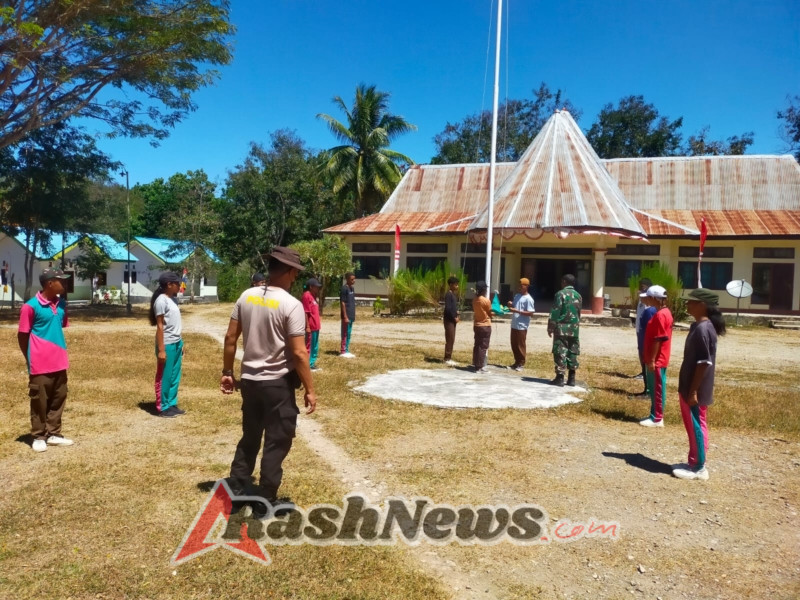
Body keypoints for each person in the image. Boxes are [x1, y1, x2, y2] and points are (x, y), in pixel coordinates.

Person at [220, 246, 317, 506]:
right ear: (287, 271)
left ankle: (238, 490)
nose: (295, 277)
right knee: (277, 440)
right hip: (277, 384)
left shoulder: (246, 297)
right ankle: (266, 495)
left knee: (250, 435)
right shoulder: (291, 305)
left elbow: (230, 338)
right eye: (295, 272)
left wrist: (228, 372)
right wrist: (310, 388)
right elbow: (298, 353)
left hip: (250, 382)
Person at [18, 268, 74, 452]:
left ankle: (54, 433)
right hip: (40, 363)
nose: (65, 284)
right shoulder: (30, 306)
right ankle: (39, 435)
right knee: (39, 400)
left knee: (59, 397)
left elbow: (59, 327)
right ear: (50, 283)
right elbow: (23, 335)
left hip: (59, 362)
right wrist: (30, 357)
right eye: (61, 280)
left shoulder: (62, 304)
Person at [672, 288, 726, 481]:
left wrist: (693, 390)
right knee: (692, 423)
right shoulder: (699, 326)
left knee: (696, 424)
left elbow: (704, 363)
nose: (687, 305)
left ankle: (699, 467)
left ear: (702, 305)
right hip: (689, 385)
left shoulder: (704, 328)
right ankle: (693, 461)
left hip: (695, 388)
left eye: (691, 302)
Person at [149, 272, 185, 418]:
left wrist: (181, 342)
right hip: (167, 343)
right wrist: (162, 349)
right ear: (169, 285)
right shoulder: (161, 301)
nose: (180, 286)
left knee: (175, 376)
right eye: (177, 284)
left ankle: (171, 403)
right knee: (165, 376)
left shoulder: (173, 300)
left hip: (176, 342)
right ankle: (163, 406)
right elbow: (160, 327)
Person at [639, 285, 673, 428]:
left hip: (658, 359)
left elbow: (658, 339)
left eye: (647, 297)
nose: (646, 300)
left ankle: (657, 417)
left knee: (657, 388)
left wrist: (652, 360)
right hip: (655, 358)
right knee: (654, 388)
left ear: (653, 298)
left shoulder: (660, 315)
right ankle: (654, 414)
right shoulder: (663, 313)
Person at [547, 274, 582, 387]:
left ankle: (560, 378)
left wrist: (551, 327)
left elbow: (555, 311)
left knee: (560, 352)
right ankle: (572, 378)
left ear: (564, 282)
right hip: (574, 328)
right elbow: (578, 313)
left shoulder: (560, 294)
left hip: (561, 328)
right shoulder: (578, 296)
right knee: (572, 352)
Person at [507, 278, 535, 371]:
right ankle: (516, 362)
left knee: (520, 345)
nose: (519, 287)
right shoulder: (517, 296)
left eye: (521, 285)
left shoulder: (529, 299)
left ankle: (521, 363)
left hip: (522, 325)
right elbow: (514, 306)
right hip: (514, 324)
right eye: (519, 285)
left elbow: (531, 312)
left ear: (526, 286)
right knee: (514, 344)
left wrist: (517, 311)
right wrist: (510, 305)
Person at [634, 278, 656, 397]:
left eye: (643, 287)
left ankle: (648, 390)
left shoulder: (650, 307)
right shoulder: (642, 301)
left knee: (646, 359)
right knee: (642, 358)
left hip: (646, 336)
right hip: (640, 333)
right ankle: (646, 387)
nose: (640, 289)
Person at [302, 278, 322, 371]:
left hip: (316, 326)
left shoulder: (314, 296)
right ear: (311, 287)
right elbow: (306, 312)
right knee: (309, 345)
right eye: (316, 287)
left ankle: (312, 362)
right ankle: (307, 363)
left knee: (315, 345)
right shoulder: (307, 296)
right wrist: (307, 326)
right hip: (311, 326)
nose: (318, 289)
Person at [471, 281, 492, 373]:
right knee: (483, 346)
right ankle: (479, 367)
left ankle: (475, 363)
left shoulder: (474, 299)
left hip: (477, 325)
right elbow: (490, 313)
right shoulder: (486, 300)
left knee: (477, 345)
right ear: (484, 290)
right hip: (485, 325)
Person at [443, 276, 460, 365]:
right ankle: (447, 358)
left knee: (452, 339)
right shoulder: (448, 295)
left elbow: (453, 308)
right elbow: (448, 309)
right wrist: (454, 317)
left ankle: (449, 357)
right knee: (450, 338)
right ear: (451, 285)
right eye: (456, 285)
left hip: (453, 320)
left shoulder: (453, 295)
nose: (457, 286)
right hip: (449, 320)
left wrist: (457, 312)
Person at [339, 272, 356, 358]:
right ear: (347, 279)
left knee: (349, 333)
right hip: (346, 315)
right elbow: (343, 303)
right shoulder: (344, 289)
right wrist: (345, 316)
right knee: (345, 333)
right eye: (352, 279)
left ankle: (347, 349)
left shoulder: (352, 289)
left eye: (354, 279)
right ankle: (343, 350)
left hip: (351, 314)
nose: (354, 281)